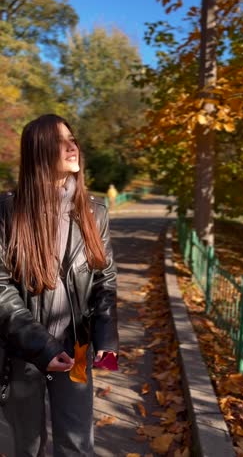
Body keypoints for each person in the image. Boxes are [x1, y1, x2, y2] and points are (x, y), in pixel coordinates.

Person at [0, 114, 119, 457]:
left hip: (77, 349)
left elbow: (104, 278)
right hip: (21, 352)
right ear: (38, 152)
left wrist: (106, 334)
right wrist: (43, 348)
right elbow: (2, 288)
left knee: (77, 444)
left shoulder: (94, 211)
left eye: (73, 138)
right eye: (59, 141)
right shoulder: (7, 212)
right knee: (29, 445)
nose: (72, 146)